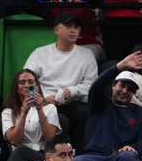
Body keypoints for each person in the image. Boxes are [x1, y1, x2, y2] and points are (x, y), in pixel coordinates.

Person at [73, 51, 142, 161]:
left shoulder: (140, 113)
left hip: (119, 157)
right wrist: (120, 66)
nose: (125, 91)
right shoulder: (100, 104)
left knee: (129, 158)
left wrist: (134, 148)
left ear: (134, 93)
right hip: (93, 156)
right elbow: (96, 86)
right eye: (122, 85)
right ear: (113, 86)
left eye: (130, 89)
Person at [23, 12, 98, 144]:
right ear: (56, 30)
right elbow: (27, 81)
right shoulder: (40, 53)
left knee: (85, 113)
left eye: (76, 27)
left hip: (70, 103)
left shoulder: (86, 55)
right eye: (68, 26)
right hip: (43, 104)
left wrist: (73, 91)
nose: (73, 30)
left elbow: (91, 84)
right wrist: (43, 97)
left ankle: (79, 154)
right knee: (60, 119)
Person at [1, 68, 60, 161]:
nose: (27, 85)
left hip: (44, 155)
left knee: (22, 151)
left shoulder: (50, 108)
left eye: (31, 82)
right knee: (22, 156)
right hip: (19, 157)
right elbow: (14, 140)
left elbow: (50, 138)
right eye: (22, 82)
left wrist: (40, 110)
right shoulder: (8, 112)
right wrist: (24, 113)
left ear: (36, 85)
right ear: (16, 87)